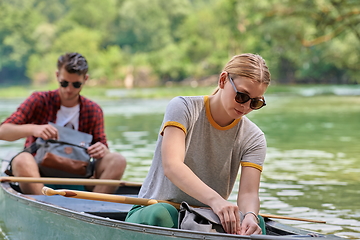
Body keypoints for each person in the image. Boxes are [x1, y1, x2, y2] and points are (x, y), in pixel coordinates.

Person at [125, 53, 270, 235]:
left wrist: (250, 215)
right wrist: (216, 201)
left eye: (255, 102)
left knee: (258, 225)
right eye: (241, 96)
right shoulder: (183, 108)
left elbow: (249, 194)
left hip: (204, 218)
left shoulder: (254, 137)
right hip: (157, 211)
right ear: (223, 80)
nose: (246, 107)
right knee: (163, 214)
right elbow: (172, 166)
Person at [0, 52, 126, 195]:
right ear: (57, 75)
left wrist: (102, 149)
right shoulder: (39, 100)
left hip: (79, 173)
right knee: (21, 159)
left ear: (85, 79)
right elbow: (3, 131)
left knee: (117, 160)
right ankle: (43, 206)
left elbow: (104, 150)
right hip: (38, 173)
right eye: (64, 83)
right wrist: (34, 129)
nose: (69, 89)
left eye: (76, 84)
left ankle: (92, 207)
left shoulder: (93, 110)